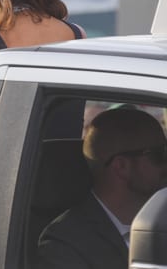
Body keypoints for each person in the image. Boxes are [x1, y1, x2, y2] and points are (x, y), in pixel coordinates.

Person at [37, 107, 167, 269]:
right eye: (159, 154)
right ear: (122, 166)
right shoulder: (64, 242)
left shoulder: (161, 221)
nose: (166, 165)